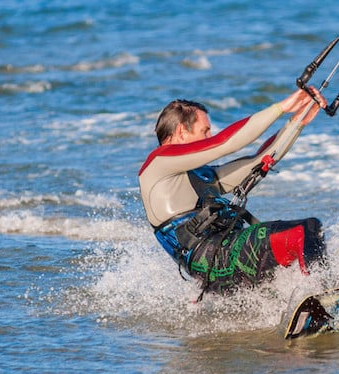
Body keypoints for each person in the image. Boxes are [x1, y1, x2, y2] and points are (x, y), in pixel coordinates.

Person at [138, 88, 328, 298]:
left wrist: (297, 122)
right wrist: (281, 107)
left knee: (309, 237)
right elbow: (225, 143)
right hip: (215, 259)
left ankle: (325, 294)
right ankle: (321, 297)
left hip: (224, 260)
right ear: (182, 131)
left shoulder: (200, 176)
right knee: (306, 229)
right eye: (205, 130)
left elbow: (258, 161)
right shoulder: (158, 163)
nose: (209, 136)